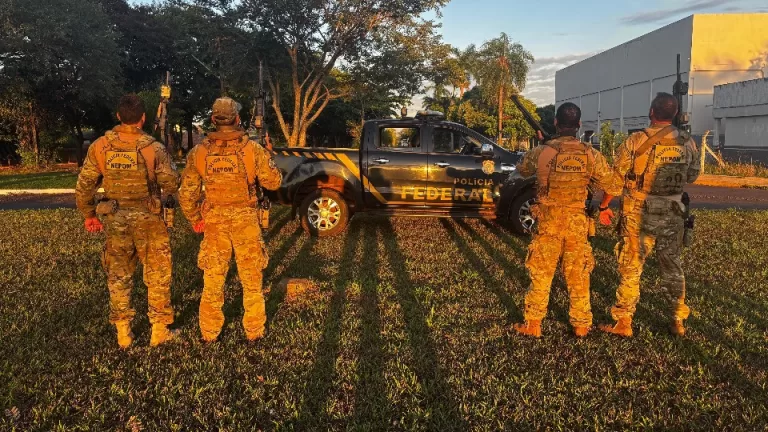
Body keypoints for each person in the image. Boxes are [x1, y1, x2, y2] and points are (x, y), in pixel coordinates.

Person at [75, 94, 179, 349]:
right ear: (143, 118)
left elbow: (84, 186)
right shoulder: (153, 148)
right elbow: (171, 183)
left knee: (118, 275)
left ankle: (123, 333)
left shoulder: (100, 146)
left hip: (115, 220)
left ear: (119, 116)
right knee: (157, 274)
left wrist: (89, 215)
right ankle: (158, 331)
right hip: (149, 220)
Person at [513, 103, 623, 338]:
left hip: (548, 221)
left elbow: (521, 169)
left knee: (541, 273)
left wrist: (543, 147)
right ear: (579, 125)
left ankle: (533, 324)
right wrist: (602, 204)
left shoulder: (542, 152)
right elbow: (614, 185)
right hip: (577, 222)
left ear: (556, 122)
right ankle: (581, 324)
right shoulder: (590, 154)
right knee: (578, 275)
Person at [178, 97, 282, 342]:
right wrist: (269, 155)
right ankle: (254, 332)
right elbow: (273, 182)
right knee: (251, 279)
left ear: (214, 120)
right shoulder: (252, 150)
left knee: (213, 280)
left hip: (214, 221)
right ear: (237, 119)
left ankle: (209, 333)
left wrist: (195, 218)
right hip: (246, 220)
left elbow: (187, 194)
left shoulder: (199, 152)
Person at [598, 93, 701, 337]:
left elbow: (615, 181)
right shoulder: (688, 142)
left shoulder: (635, 140)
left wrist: (603, 206)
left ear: (651, 112)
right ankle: (677, 320)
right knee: (671, 266)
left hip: (638, 212)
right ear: (674, 114)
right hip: (673, 212)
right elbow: (692, 175)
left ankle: (623, 321)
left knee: (631, 266)